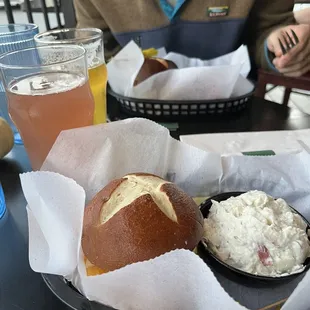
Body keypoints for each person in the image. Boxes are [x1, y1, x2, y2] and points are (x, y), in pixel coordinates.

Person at [73, 0, 310, 77]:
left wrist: (279, 45)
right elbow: (93, 52)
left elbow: (267, 29)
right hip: (129, 113)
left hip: (236, 111)